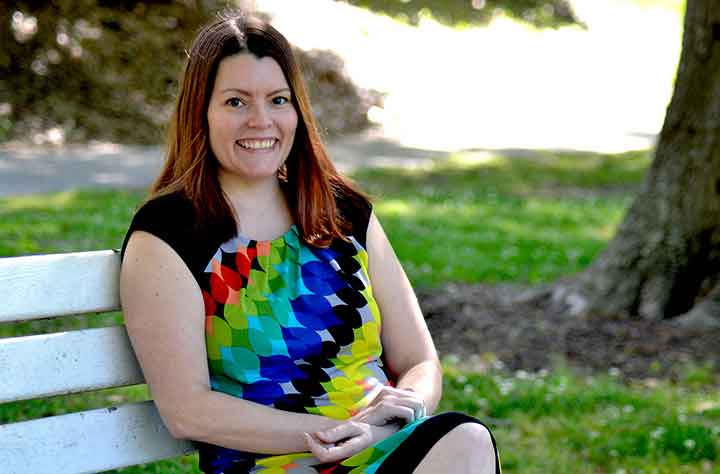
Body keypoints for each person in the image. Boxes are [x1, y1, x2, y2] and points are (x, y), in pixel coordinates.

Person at [120, 11, 501, 474]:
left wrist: (395, 418)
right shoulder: (171, 232)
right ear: (200, 111)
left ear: (297, 109)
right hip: (273, 463)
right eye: (236, 102)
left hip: (381, 447)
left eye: (278, 100)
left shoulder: (344, 214)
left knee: (465, 440)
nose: (261, 121)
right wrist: (338, 431)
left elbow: (419, 360)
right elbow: (186, 410)